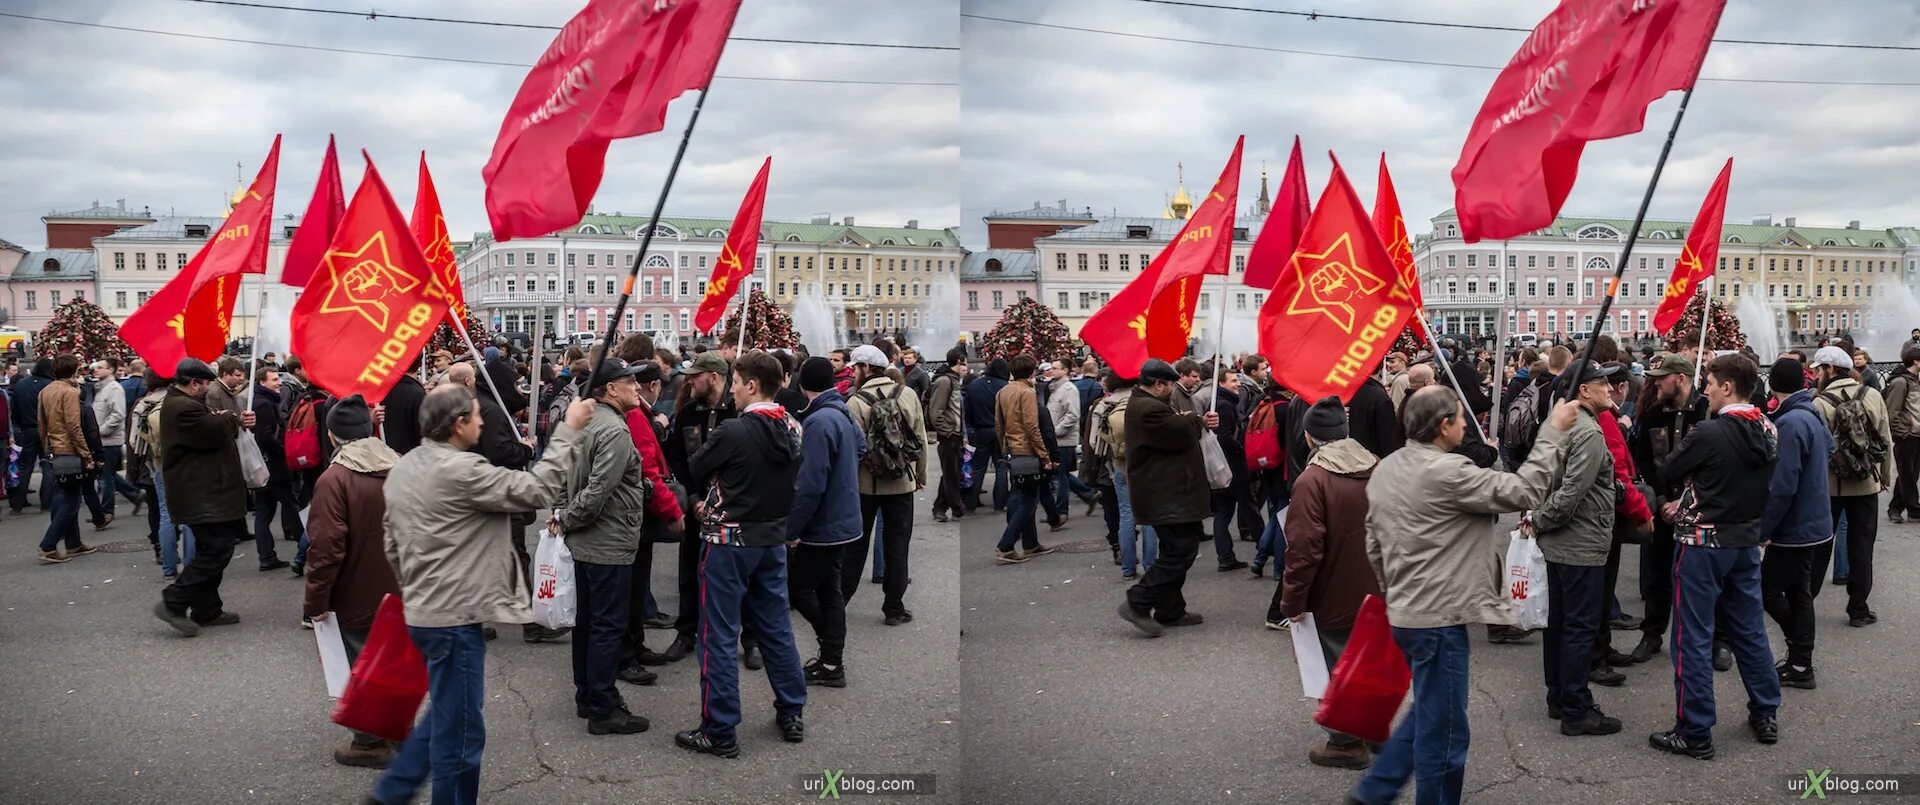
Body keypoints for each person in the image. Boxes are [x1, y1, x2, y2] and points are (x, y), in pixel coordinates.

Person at [1348, 386, 1578, 805]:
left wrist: (1394, 593)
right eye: (1460, 417)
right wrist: (1552, 433)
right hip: (1437, 619)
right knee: (1446, 735)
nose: (1465, 424)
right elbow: (1525, 491)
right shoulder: (1448, 471)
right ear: (1444, 426)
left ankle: (1374, 791)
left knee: (1431, 716)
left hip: (1409, 613)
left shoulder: (1388, 467)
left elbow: (1373, 542)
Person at [365, 386, 590, 803]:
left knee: (448, 719)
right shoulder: (461, 470)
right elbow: (537, 491)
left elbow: (391, 542)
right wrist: (569, 430)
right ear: (458, 425)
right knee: (461, 737)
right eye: (475, 415)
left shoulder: (405, 465)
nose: (482, 421)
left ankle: (392, 792)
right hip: (453, 618)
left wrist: (414, 587)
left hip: (426, 612)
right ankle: (398, 794)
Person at [1647, 354, 1783, 760]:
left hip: (1703, 542)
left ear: (1727, 386)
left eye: (1709, 382)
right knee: (1749, 629)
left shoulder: (1708, 431)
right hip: (1745, 539)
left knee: (1692, 634)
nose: (1704, 388)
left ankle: (1695, 728)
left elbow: (1668, 469)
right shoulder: (1767, 427)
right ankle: (1765, 710)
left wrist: (1690, 467)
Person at [675, 350, 808, 758]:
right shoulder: (792, 425)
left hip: (728, 540)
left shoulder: (734, 431)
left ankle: (719, 728)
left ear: (752, 385)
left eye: (735, 383)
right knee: (775, 628)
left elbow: (696, 466)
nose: (731, 390)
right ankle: (791, 709)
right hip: (771, 537)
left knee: (716, 633)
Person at [1273, 397, 1381, 768]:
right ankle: (1373, 729)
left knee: (1338, 664)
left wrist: (1292, 600)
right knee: (1369, 661)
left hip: (1335, 591)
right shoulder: (1376, 466)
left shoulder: (1313, 479)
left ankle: (1347, 742)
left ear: (1309, 437)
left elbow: (1303, 550)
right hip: (1378, 586)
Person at [300, 395, 403, 768]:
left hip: (358, 590)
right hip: (405, 585)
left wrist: (315, 600)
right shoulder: (401, 465)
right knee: (390, 661)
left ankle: (371, 742)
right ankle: (394, 729)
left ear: (331, 435)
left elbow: (326, 548)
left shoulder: (335, 479)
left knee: (363, 663)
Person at [559, 357, 654, 734]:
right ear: (610, 389)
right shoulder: (614, 430)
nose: (637, 386)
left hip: (590, 540)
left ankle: (588, 695)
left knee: (589, 622)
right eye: (630, 380)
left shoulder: (586, 421)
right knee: (606, 626)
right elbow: (599, 490)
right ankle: (603, 707)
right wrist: (570, 517)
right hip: (607, 540)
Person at [1530, 363, 1622, 737]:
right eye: (1604, 385)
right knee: (1578, 628)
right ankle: (1576, 708)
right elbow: (1571, 492)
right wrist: (1542, 519)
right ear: (1584, 391)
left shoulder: (1561, 425)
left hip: (1561, 541)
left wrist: (1539, 519)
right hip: (1579, 542)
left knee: (1560, 625)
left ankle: (1559, 697)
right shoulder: (1588, 432)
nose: (1612, 390)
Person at [1116, 359, 1221, 636]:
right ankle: (1138, 601)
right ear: (1159, 384)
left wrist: (1194, 419)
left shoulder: (1150, 405)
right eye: (1170, 384)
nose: (1172, 390)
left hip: (1170, 495)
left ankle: (1170, 609)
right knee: (1180, 553)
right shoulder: (1147, 409)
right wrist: (1194, 420)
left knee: (1173, 550)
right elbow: (1179, 431)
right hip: (1166, 496)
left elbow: (1182, 424)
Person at [152, 359, 257, 636]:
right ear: (194, 383)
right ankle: (173, 601)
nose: (208, 388)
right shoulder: (182, 407)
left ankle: (207, 608)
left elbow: (217, 422)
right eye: (205, 383)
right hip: (201, 494)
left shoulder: (186, 404)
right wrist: (231, 418)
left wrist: (226, 417)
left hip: (205, 493)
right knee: (216, 550)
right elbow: (214, 430)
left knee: (213, 548)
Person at [1625, 352, 1716, 666]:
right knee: (1657, 575)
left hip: (1700, 511)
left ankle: (1716, 639)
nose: (1655, 383)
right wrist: (1662, 500)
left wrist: (1687, 501)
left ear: (1680, 378)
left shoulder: (1707, 413)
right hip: (1664, 509)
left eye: (1661, 377)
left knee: (1704, 579)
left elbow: (1715, 465)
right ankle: (1652, 633)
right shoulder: (1652, 416)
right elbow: (1646, 461)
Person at [788, 356, 865, 688]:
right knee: (829, 589)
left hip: (824, 525)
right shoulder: (843, 410)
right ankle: (832, 661)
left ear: (803, 384)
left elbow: (811, 485)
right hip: (845, 518)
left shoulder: (819, 421)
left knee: (799, 588)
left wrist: (792, 530)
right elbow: (862, 448)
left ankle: (831, 652)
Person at [1758, 358, 1833, 691]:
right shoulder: (1812, 415)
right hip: (1815, 522)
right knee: (1799, 592)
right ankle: (1801, 661)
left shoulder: (1790, 423)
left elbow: (1782, 485)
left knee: (1768, 590)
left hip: (1794, 528)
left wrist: (1763, 531)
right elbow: (1830, 450)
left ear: (1773, 386)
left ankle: (1801, 653)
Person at [1809, 345, 1893, 629]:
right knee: (1862, 548)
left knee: (1819, 546)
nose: (1815, 375)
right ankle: (1858, 609)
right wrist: (1883, 476)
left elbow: (1816, 451)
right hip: (1866, 485)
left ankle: (1805, 602)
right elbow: (1885, 438)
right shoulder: (1872, 395)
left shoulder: (1819, 403)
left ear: (1830, 370)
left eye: (1818, 369)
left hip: (1830, 488)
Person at [844, 345, 928, 625]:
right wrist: (921, 476)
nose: (853, 372)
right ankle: (894, 607)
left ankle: (839, 601)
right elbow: (920, 438)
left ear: (866, 369)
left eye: (855, 367)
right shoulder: (907, 394)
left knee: (856, 546)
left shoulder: (855, 401)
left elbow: (850, 450)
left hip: (865, 486)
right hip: (902, 483)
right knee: (897, 546)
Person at [993, 355, 1057, 564]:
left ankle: (1031, 544)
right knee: (1029, 501)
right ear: (1032, 372)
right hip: (1027, 450)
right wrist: (1044, 455)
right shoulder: (1027, 392)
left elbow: (999, 423)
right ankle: (1006, 545)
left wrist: (1004, 446)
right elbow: (1032, 426)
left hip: (1012, 448)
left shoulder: (1003, 391)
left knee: (1025, 494)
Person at [36, 355, 99, 564]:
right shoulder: (70, 392)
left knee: (65, 494)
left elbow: (41, 422)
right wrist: (86, 455)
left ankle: (73, 543)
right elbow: (74, 425)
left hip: (54, 447)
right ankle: (49, 545)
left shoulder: (46, 390)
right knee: (72, 500)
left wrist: (46, 446)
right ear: (74, 370)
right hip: (69, 450)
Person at [249, 367, 303, 573]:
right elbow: (265, 436)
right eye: (273, 380)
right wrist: (282, 450)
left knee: (264, 511)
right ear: (262, 382)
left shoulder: (262, 400)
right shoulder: (264, 404)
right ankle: (305, 548)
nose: (278, 383)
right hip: (273, 466)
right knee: (290, 506)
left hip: (265, 467)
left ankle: (267, 556)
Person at [1198, 367, 1252, 569]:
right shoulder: (1225, 405)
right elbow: (1226, 437)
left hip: (1221, 470)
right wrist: (1241, 448)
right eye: (1233, 381)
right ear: (1221, 383)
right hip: (1230, 469)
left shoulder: (1220, 402)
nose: (1237, 384)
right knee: (1246, 509)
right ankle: (1264, 549)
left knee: (1224, 513)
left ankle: (1225, 557)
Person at [1044, 359, 1096, 516]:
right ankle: (1089, 494)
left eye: (1055, 368)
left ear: (1065, 370)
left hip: (1063, 440)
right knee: (1061, 473)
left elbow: (1072, 415)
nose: (1051, 370)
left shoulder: (1068, 389)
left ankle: (1061, 511)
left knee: (1061, 475)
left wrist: (1055, 432)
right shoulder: (1055, 388)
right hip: (1056, 439)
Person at [90, 360, 140, 518]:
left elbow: (118, 414)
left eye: (100, 367)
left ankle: (107, 511)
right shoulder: (101, 388)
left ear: (110, 370)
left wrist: (100, 431)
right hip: (102, 439)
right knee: (108, 473)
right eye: (96, 367)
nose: (95, 370)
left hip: (109, 440)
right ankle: (135, 495)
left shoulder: (114, 389)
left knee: (106, 476)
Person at [927, 348, 968, 522]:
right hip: (949, 436)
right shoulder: (945, 381)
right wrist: (949, 431)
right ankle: (957, 507)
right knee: (952, 475)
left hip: (955, 434)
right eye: (964, 360)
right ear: (959, 360)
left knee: (952, 473)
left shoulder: (953, 380)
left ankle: (940, 507)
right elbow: (936, 412)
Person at [964, 358, 1010, 512]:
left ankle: (970, 503)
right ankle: (1000, 502)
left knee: (978, 468)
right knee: (1001, 466)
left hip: (980, 430)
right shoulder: (1005, 387)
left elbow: (967, 410)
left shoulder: (974, 385)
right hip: (1000, 430)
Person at [9, 358, 51, 513]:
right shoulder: (49, 385)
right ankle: (46, 503)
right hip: (46, 430)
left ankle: (17, 503)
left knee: (25, 468)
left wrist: (19, 426)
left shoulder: (21, 385)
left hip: (27, 430)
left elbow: (14, 409)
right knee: (48, 466)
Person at [1886, 345, 1920, 523]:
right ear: (1915, 361)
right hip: (1907, 436)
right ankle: (1913, 508)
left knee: (1911, 475)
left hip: (1916, 434)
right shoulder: (1900, 382)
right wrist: (1903, 434)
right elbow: (1892, 412)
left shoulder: (1915, 380)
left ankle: (1895, 508)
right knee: (1907, 475)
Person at [380, 357, 428, 455]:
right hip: (412, 457)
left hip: (386, 454)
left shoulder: (382, 389)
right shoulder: (417, 394)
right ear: (419, 364)